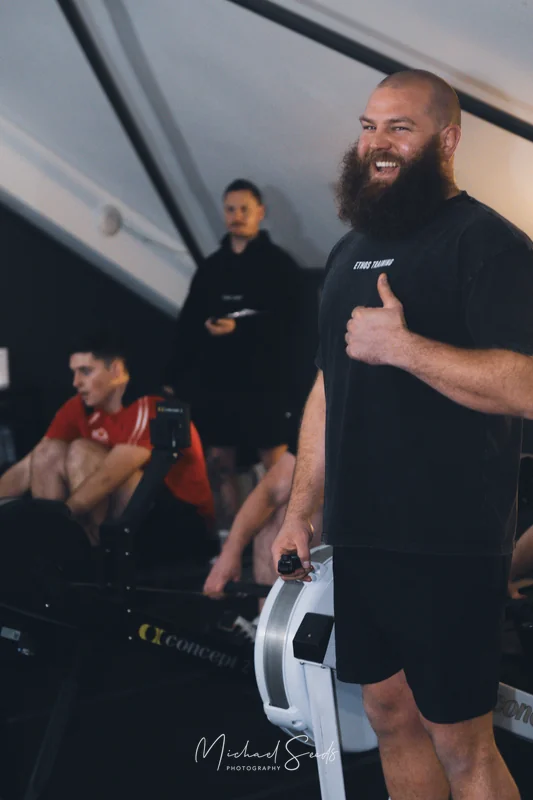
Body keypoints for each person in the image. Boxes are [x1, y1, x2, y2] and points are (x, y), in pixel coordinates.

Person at [271, 69, 533, 800]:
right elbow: (328, 385)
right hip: (360, 533)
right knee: (389, 714)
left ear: (446, 139)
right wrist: (298, 508)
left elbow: (526, 385)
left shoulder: (488, 244)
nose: (375, 145)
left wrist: (403, 347)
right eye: (366, 126)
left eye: (398, 128)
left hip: (446, 537)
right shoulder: (346, 251)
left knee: (461, 741)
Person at [0, 332, 216, 562]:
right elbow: (28, 467)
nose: (76, 382)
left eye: (85, 371)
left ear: (115, 370)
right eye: (74, 372)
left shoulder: (152, 406)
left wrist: (57, 522)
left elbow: (110, 476)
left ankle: (87, 553)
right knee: (47, 452)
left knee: (81, 451)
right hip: (120, 516)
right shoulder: (78, 407)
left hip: (181, 526)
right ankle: (58, 556)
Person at [163, 179, 306, 528]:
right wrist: (172, 378)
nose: (236, 216)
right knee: (219, 463)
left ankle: (284, 540)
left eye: (244, 209)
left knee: (276, 462)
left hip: (265, 384)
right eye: (230, 209)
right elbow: (188, 324)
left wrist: (243, 329)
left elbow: (296, 327)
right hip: (219, 384)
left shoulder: (280, 266)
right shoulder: (211, 267)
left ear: (260, 212)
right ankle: (230, 539)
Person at [202, 440, 323, 609]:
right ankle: (267, 619)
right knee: (279, 514)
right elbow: (271, 491)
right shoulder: (332, 426)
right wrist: (230, 553)